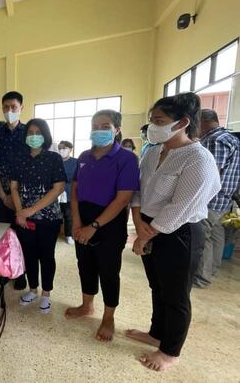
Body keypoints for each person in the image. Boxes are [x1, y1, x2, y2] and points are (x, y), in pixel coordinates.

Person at [127, 93, 220, 372]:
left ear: (182, 123)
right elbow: (138, 189)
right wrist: (137, 222)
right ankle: (157, 333)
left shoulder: (198, 158)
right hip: (147, 225)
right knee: (157, 286)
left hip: (180, 232)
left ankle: (170, 351)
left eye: (159, 121)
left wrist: (145, 235)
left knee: (176, 294)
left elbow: (182, 206)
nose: (153, 126)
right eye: (152, 120)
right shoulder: (153, 151)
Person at [66, 110, 140, 342]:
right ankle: (87, 305)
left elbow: (123, 198)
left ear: (117, 130)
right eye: (95, 126)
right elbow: (75, 191)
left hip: (110, 221)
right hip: (83, 216)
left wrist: (94, 226)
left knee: (108, 270)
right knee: (85, 264)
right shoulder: (84, 156)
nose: (99, 130)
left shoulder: (126, 159)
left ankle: (109, 317)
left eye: (105, 126)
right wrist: (77, 221)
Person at [11, 119, 66, 314]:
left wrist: (30, 210)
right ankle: (33, 289)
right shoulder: (19, 158)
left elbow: (58, 188)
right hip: (24, 218)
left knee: (47, 255)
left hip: (48, 218)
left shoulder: (54, 158)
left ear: (45, 135)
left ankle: (46, 293)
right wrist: (20, 212)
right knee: (29, 255)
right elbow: (14, 187)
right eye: (30, 132)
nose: (34, 136)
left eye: (38, 132)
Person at [192, 109, 240, 288]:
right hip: (225, 197)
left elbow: (213, 172)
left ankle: (202, 277)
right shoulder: (231, 138)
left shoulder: (214, 140)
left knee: (203, 236)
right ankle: (211, 270)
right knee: (216, 235)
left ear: (203, 121)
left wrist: (198, 197)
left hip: (212, 198)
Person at [0, 91, 28, 290]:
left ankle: (21, 273)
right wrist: (3, 195)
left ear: (21, 108)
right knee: (3, 235)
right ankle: (5, 271)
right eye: (6, 107)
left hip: (24, 196)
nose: (9, 110)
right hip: (1, 195)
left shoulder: (29, 133)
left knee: (22, 235)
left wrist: (18, 198)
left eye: (14, 107)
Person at [58, 140, 78, 245]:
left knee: (68, 215)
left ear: (70, 149)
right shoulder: (55, 161)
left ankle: (69, 235)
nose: (62, 150)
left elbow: (77, 178)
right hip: (55, 193)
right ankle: (54, 233)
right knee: (55, 215)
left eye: (64, 148)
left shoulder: (76, 162)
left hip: (69, 192)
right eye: (60, 148)